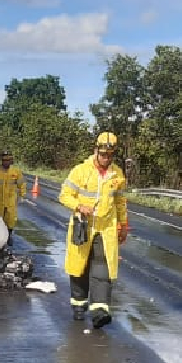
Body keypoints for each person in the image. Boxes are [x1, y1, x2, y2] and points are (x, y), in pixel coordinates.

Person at [58, 132, 130, 328]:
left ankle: (99, 311)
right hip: (83, 225)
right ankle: (79, 305)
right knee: (79, 266)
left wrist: (123, 225)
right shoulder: (80, 171)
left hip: (105, 228)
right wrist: (79, 206)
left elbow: (120, 202)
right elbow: (64, 195)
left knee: (102, 266)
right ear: (96, 150)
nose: (106, 158)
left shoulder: (117, 174)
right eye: (103, 154)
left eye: (110, 155)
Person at [0, 151, 27, 245]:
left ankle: (9, 235)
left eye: (8, 160)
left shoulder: (16, 172)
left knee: (10, 219)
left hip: (11, 200)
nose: (6, 162)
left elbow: (22, 184)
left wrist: (22, 195)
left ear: (11, 161)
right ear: (1, 160)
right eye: (4, 160)